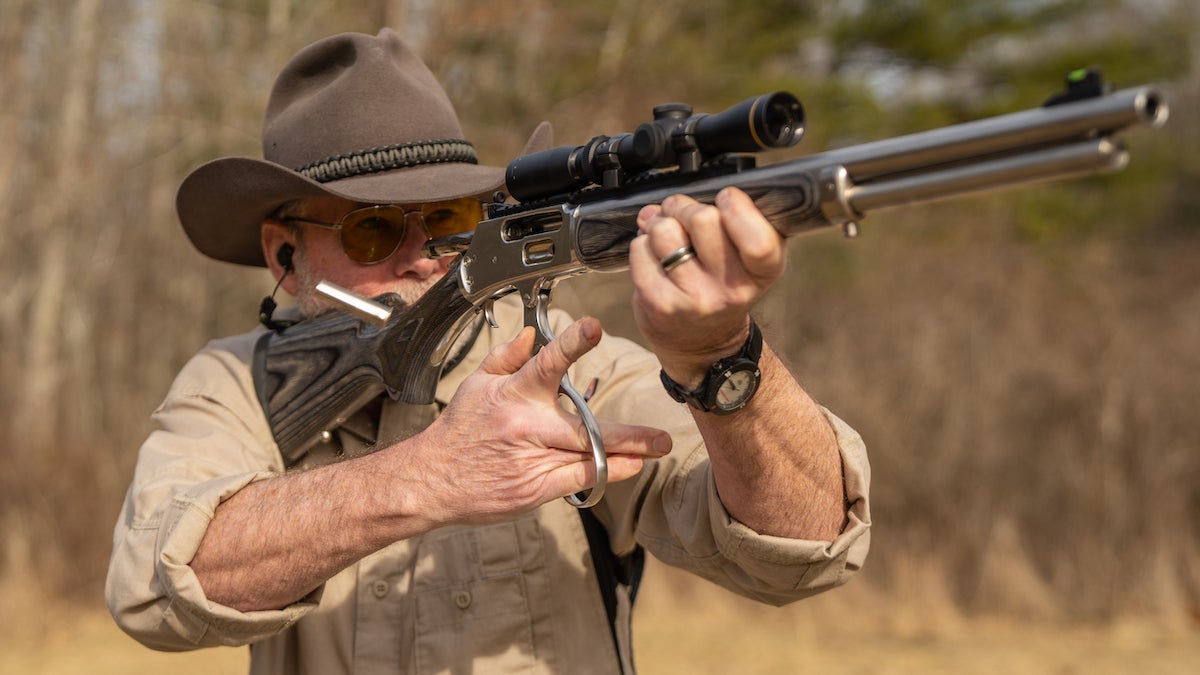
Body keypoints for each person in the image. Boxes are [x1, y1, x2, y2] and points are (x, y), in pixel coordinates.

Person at [106, 28, 870, 674]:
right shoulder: (237, 381)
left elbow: (802, 549)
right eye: (374, 229)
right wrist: (425, 476)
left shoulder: (574, 365)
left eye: (447, 216)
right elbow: (152, 584)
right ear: (284, 256)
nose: (422, 255)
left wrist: (721, 355)